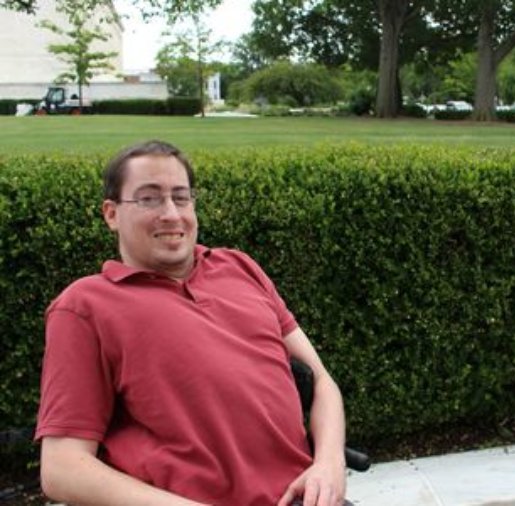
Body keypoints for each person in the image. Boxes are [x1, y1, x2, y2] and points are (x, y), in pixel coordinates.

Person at [35, 140, 347, 506]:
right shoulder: (85, 307)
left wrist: (329, 462)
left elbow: (323, 380)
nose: (171, 213)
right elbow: (62, 469)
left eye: (181, 197)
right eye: (149, 199)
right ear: (111, 214)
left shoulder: (239, 267)